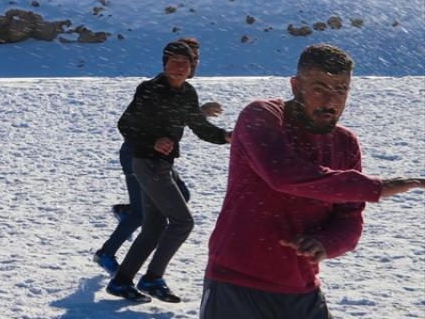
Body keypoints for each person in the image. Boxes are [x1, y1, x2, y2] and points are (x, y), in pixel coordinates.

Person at [200, 44, 425, 318]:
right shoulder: (262, 116)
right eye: (319, 88)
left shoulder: (345, 144)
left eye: (340, 90)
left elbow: (350, 219)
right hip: (235, 284)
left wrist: (327, 243)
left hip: (301, 289)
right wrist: (376, 187)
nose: (331, 101)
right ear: (296, 86)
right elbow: (282, 174)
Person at [105, 40, 231, 304]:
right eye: (173, 61)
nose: (179, 67)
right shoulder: (150, 89)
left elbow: (199, 126)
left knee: (154, 227)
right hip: (147, 163)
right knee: (183, 222)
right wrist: (152, 141)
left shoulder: (187, 93)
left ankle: (121, 282)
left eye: (184, 63)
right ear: (164, 64)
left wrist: (226, 137)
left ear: (192, 67)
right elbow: (126, 124)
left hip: (164, 165)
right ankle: (152, 278)